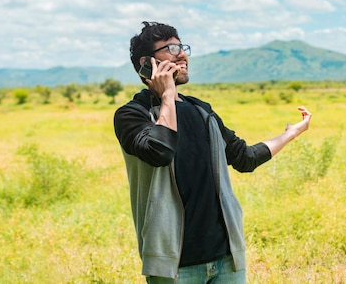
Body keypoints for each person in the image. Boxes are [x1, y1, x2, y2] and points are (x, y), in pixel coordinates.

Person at [113, 21, 312, 283]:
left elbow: (244, 158)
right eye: (171, 48)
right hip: (174, 265)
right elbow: (159, 151)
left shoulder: (202, 111)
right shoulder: (131, 115)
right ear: (146, 62)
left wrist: (290, 133)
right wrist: (167, 96)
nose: (181, 54)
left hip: (226, 258)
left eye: (182, 47)